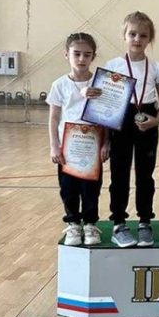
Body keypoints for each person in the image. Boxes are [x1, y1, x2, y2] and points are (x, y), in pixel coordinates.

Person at [105, 11, 159, 248]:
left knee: (145, 174)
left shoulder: (156, 68)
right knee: (119, 173)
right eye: (132, 34)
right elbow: (107, 104)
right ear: (124, 35)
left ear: (150, 38)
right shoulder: (114, 66)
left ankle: (144, 222)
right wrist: (106, 139)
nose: (137, 39)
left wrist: (156, 120)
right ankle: (119, 223)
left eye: (143, 35)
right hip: (120, 120)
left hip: (146, 119)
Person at [48, 32, 109, 247]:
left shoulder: (101, 83)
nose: (82, 59)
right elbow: (53, 117)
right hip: (68, 146)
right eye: (77, 54)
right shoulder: (59, 85)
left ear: (93, 56)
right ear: (66, 54)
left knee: (91, 187)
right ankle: (73, 223)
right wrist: (54, 146)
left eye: (87, 54)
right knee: (68, 187)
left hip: (92, 144)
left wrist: (106, 142)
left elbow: (107, 114)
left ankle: (90, 224)